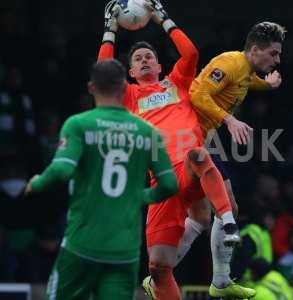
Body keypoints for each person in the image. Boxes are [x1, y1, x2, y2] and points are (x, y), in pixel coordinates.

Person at [98, 1, 253, 299]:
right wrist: (111, 27)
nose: (144, 60)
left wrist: (162, 18)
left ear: (159, 66)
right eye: (138, 58)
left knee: (198, 154)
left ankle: (229, 222)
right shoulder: (129, 96)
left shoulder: (177, 83)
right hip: (161, 181)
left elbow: (191, 53)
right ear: (130, 71)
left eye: (149, 57)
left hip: (189, 167)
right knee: (158, 267)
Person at [24, 59, 178, 300]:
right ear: (125, 88)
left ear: (91, 88)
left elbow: (62, 171)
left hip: (81, 245)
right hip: (124, 251)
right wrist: (140, 195)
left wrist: (36, 183)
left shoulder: (79, 124)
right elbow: (169, 185)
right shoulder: (148, 132)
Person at [179, 20, 286, 297]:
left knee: (207, 216)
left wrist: (268, 84)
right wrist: (229, 120)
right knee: (223, 210)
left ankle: (207, 279)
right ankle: (217, 282)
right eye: (273, 53)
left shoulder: (247, 71)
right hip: (188, 138)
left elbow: (249, 82)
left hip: (200, 141)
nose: (278, 59)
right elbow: (196, 93)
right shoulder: (230, 63)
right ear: (254, 49)